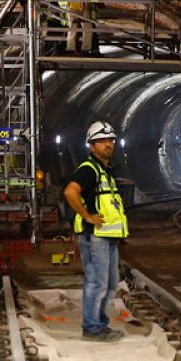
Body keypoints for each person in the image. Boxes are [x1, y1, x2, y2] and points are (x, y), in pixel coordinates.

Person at [62, 121, 129, 342]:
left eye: (110, 140)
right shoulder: (89, 169)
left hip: (108, 237)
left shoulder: (105, 171)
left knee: (110, 284)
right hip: (95, 236)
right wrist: (87, 216)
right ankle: (91, 329)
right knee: (96, 282)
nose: (108, 144)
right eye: (101, 141)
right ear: (92, 146)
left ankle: (99, 324)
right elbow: (71, 192)